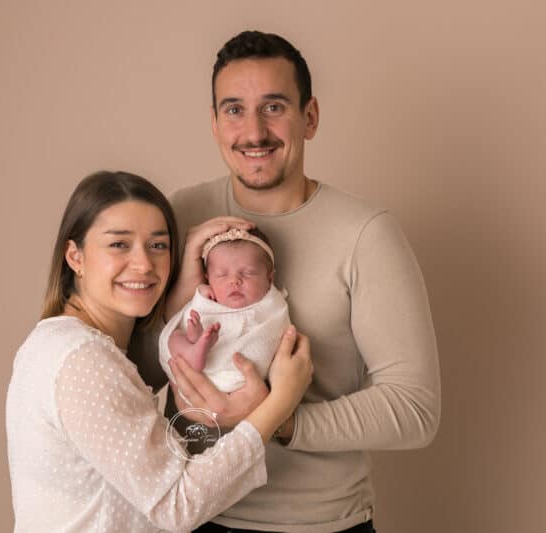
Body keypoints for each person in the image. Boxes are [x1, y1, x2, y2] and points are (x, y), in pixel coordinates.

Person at [160, 31, 441, 533]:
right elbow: (133, 371)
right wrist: (180, 289)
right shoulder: (180, 214)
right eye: (233, 109)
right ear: (214, 122)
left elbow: (415, 408)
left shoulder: (365, 235)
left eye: (273, 107)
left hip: (317, 524)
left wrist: (278, 418)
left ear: (309, 116)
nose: (253, 131)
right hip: (188, 513)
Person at [5, 171, 313, 532]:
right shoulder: (83, 359)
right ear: (75, 256)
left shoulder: (61, 342)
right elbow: (177, 505)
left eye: (158, 245)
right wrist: (278, 405)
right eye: (119, 244)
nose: (144, 265)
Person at [159, 227, 290, 392]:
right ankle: (194, 348)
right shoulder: (208, 297)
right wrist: (201, 295)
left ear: (270, 278)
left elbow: (276, 334)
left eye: (248, 273)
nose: (234, 281)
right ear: (208, 278)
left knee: (176, 337)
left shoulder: (273, 306)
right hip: (191, 371)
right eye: (221, 275)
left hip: (240, 376)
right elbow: (193, 310)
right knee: (174, 335)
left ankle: (198, 346)